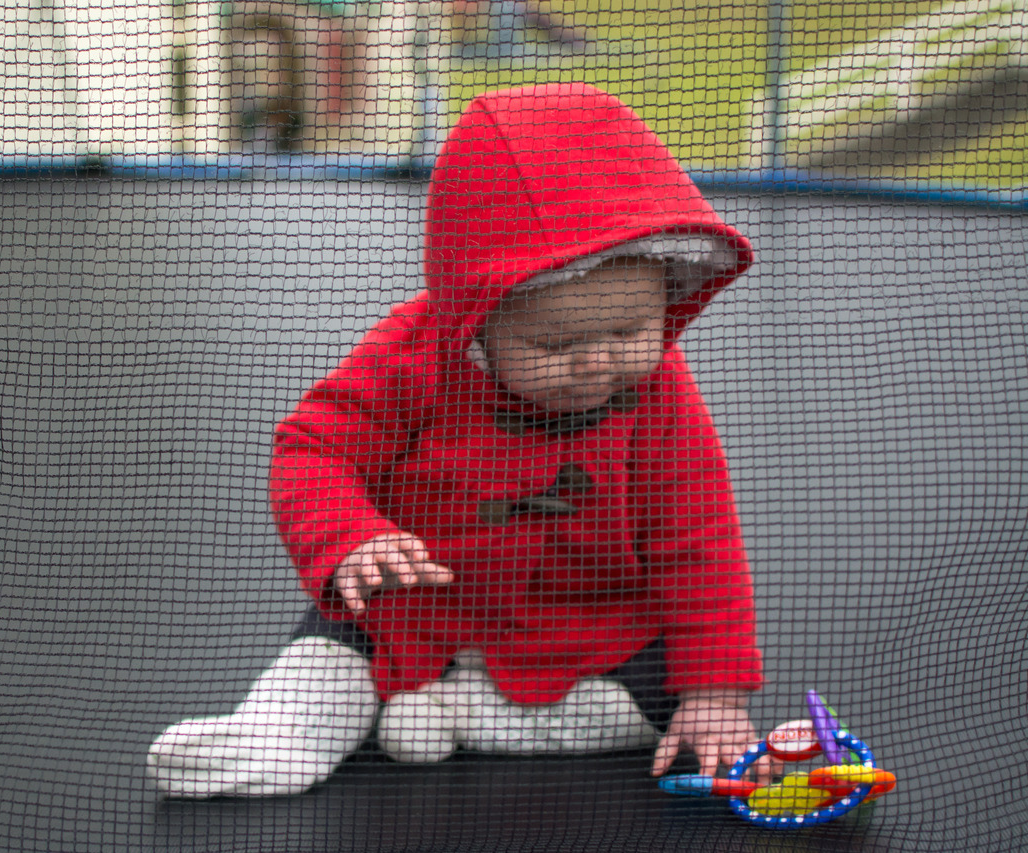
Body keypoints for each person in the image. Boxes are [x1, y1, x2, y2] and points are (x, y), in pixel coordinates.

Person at [149, 82, 772, 798]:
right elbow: (314, 448)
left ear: (668, 292)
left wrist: (715, 692)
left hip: (588, 621)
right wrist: (352, 536)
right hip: (415, 605)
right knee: (333, 645)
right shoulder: (412, 356)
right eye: (554, 345)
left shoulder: (661, 389)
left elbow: (698, 536)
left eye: (630, 331)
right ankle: (283, 733)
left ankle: (471, 712)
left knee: (668, 692)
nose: (597, 363)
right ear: (477, 313)